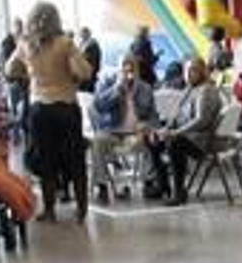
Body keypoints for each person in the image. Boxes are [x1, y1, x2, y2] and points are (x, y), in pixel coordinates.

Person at [7, 2, 93, 223]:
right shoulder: (65, 43)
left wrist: (29, 75)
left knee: (46, 161)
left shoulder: (25, 44)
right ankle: (82, 209)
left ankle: (49, 210)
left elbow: (9, 69)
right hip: (65, 106)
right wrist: (70, 74)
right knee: (75, 159)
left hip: (39, 110)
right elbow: (84, 72)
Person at [144, 56, 220, 206]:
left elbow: (201, 121)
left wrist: (176, 132)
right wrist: (164, 130)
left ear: (202, 72)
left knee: (175, 142)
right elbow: (176, 116)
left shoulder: (207, 90)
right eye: (186, 70)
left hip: (202, 141)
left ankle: (179, 191)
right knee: (152, 139)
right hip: (187, 136)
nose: (188, 74)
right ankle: (163, 184)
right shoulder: (189, 89)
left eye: (193, 70)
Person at [88, 57, 158, 202]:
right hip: (112, 131)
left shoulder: (145, 88)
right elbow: (99, 107)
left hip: (135, 133)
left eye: (131, 70)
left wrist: (148, 126)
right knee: (98, 141)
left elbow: (153, 115)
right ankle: (102, 186)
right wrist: (116, 89)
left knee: (147, 139)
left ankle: (148, 182)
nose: (128, 73)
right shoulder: (108, 84)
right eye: (124, 69)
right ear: (119, 70)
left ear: (137, 71)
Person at [75, 26, 101, 93]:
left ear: (87, 33)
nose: (81, 35)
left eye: (82, 33)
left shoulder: (92, 44)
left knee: (87, 94)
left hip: (88, 75)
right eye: (80, 34)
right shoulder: (83, 43)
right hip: (82, 74)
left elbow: (93, 62)